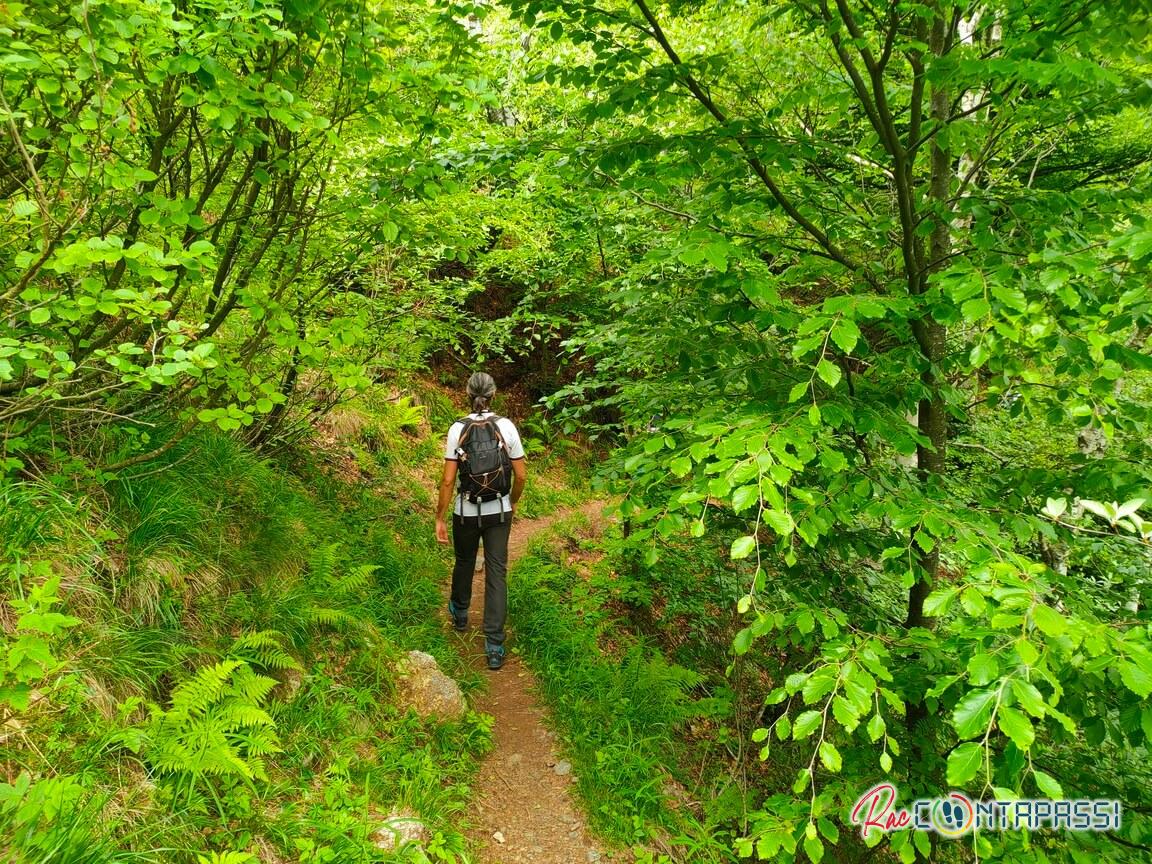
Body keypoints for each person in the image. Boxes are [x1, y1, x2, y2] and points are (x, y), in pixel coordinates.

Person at [435, 372, 527, 670]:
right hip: (498, 512)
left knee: (464, 560)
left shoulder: (457, 429)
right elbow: (522, 474)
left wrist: (439, 517)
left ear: (466, 393)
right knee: (496, 571)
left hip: (466, 511)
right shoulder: (506, 426)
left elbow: (449, 481)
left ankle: (460, 613)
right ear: (493, 395)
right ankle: (495, 645)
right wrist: (510, 501)